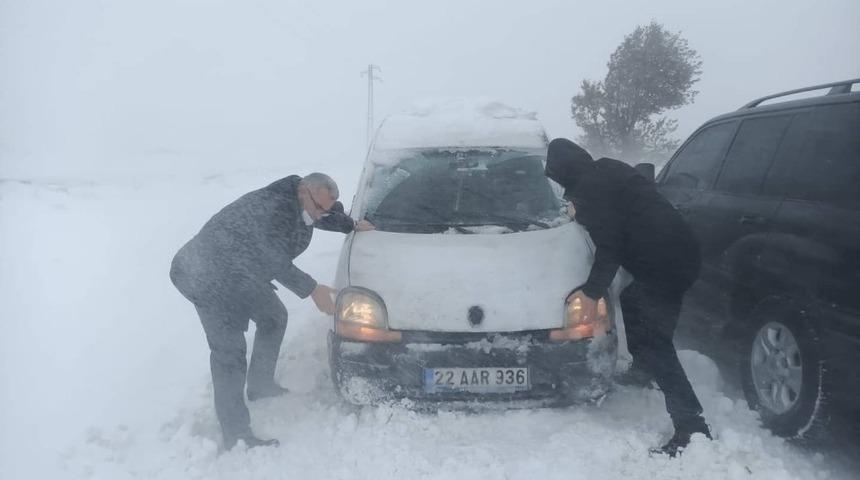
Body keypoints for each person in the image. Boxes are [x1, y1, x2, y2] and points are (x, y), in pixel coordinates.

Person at [169, 173, 373, 450]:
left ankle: (260, 385)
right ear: (303, 192)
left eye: (326, 207)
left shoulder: (308, 202)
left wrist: (351, 225)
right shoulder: (273, 207)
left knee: (273, 317)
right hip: (206, 274)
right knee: (229, 353)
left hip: (242, 271)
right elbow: (272, 257)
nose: (321, 214)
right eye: (318, 207)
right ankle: (237, 434)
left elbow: (325, 214)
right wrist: (313, 289)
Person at [544, 138, 710, 457]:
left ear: (561, 172)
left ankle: (692, 425)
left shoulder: (589, 190)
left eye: (555, 175)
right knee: (634, 303)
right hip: (683, 253)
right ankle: (644, 370)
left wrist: (591, 293)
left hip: (662, 265)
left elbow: (611, 246)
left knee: (654, 340)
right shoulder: (606, 168)